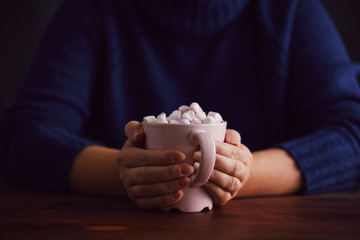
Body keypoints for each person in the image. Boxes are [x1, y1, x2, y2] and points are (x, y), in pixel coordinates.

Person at [1, 0, 359, 210]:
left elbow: (352, 134)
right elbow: (22, 138)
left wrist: (239, 174)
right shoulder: (94, 11)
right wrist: (125, 173)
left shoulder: (291, 11)